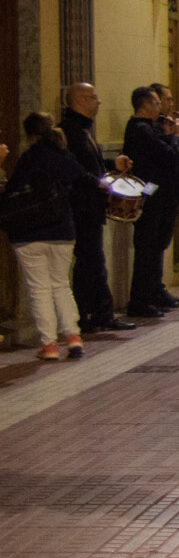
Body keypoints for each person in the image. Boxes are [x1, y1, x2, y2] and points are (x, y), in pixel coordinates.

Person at [4, 113, 89, 360]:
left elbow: (11, 193)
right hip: (62, 231)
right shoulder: (65, 157)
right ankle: (73, 337)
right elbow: (83, 178)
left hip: (29, 234)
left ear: (29, 135)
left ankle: (49, 345)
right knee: (61, 284)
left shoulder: (28, 159)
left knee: (39, 289)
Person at [59, 83, 136, 333]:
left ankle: (92, 314)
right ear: (79, 100)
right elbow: (75, 169)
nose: (98, 102)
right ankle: (96, 314)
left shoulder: (82, 128)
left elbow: (88, 163)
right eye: (93, 97)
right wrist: (99, 182)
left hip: (89, 206)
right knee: (90, 261)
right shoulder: (70, 131)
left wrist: (111, 163)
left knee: (90, 262)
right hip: (81, 207)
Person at [122, 86, 179, 317]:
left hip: (162, 194)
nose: (164, 106)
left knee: (157, 247)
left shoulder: (150, 127)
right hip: (149, 196)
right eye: (158, 102)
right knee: (147, 248)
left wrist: (171, 133)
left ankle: (154, 292)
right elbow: (169, 156)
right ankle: (140, 300)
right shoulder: (140, 129)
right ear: (146, 104)